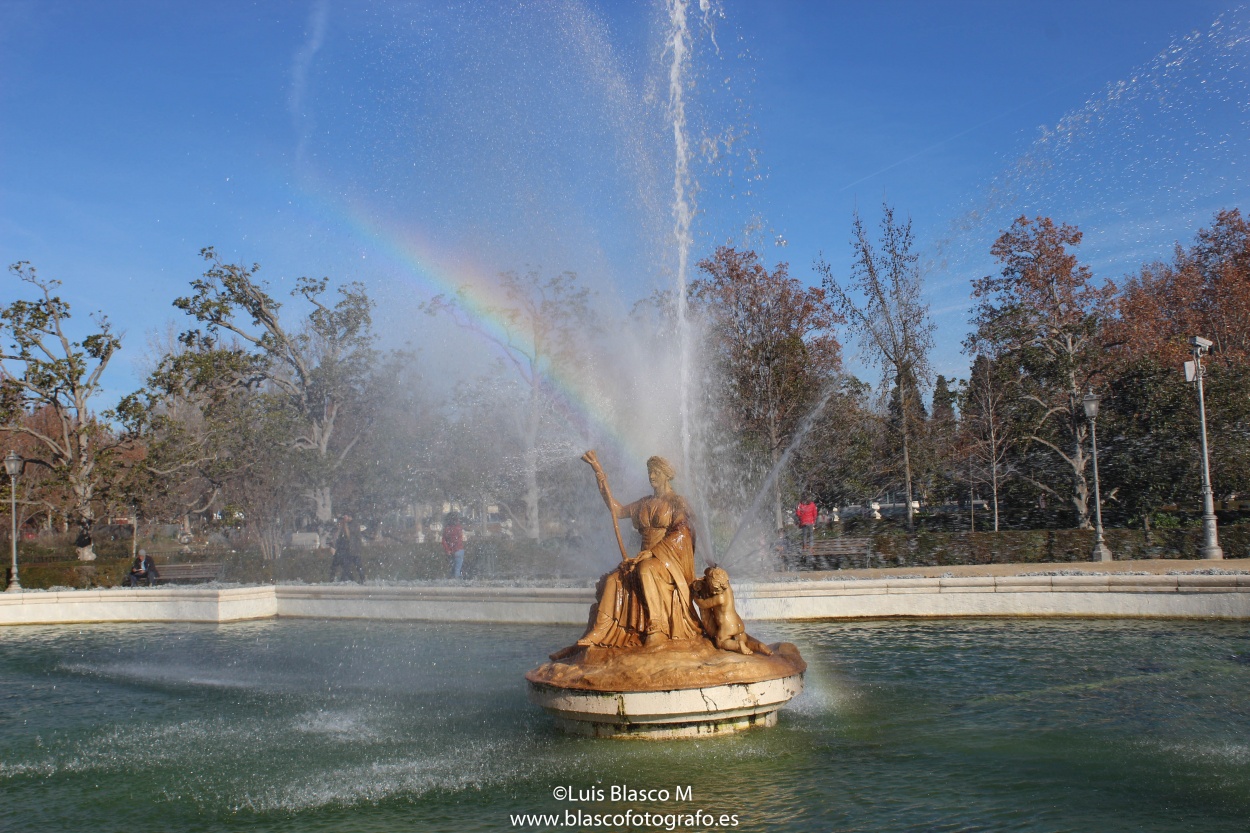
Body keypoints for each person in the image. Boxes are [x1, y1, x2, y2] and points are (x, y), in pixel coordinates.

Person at [575, 455, 702, 649]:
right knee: (613, 579)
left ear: (667, 475)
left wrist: (654, 553)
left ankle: (657, 627)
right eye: (649, 472)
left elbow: (683, 531)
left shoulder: (677, 502)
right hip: (645, 558)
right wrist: (600, 477)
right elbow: (616, 511)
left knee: (645, 569)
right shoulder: (644, 503)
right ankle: (600, 631)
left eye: (656, 472)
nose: (651, 476)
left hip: (667, 561)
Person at [329, 515, 364, 583]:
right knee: (337, 567)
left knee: (358, 567)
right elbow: (336, 537)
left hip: (353, 550)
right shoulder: (342, 525)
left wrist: (345, 525)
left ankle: (361, 580)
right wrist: (340, 527)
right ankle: (333, 580)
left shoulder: (355, 524)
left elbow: (349, 536)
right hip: (342, 551)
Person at [442, 512, 465, 579]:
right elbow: (458, 540)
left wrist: (448, 550)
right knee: (457, 569)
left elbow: (443, 541)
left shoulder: (447, 529)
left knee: (453, 568)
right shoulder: (458, 528)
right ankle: (456, 583)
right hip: (459, 550)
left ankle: (451, 581)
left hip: (450, 552)